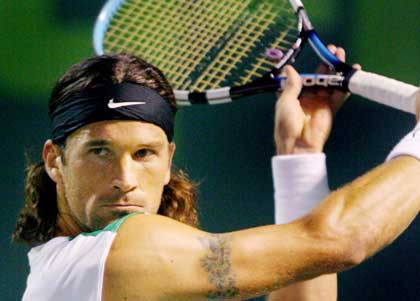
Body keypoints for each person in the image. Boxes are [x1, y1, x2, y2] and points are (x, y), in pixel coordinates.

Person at [13, 51, 420, 301]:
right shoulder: (110, 257)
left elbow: (315, 257)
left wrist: (301, 163)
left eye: (143, 154)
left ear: (169, 160)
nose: (125, 178)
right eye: (99, 151)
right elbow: (340, 240)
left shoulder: (80, 273)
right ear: (55, 161)